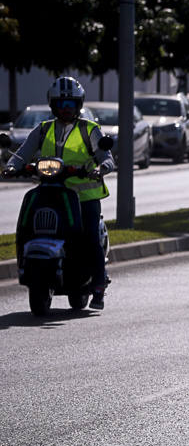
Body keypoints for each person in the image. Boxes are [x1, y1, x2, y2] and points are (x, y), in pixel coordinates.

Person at [3, 76, 114, 309]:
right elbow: (23, 153)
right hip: (50, 190)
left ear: (79, 105)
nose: (66, 109)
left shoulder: (89, 129)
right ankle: (27, 264)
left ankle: (98, 285)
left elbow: (106, 156)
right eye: (61, 105)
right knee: (29, 223)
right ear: (53, 106)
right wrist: (12, 166)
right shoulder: (43, 129)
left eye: (71, 104)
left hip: (83, 196)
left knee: (90, 235)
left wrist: (99, 168)